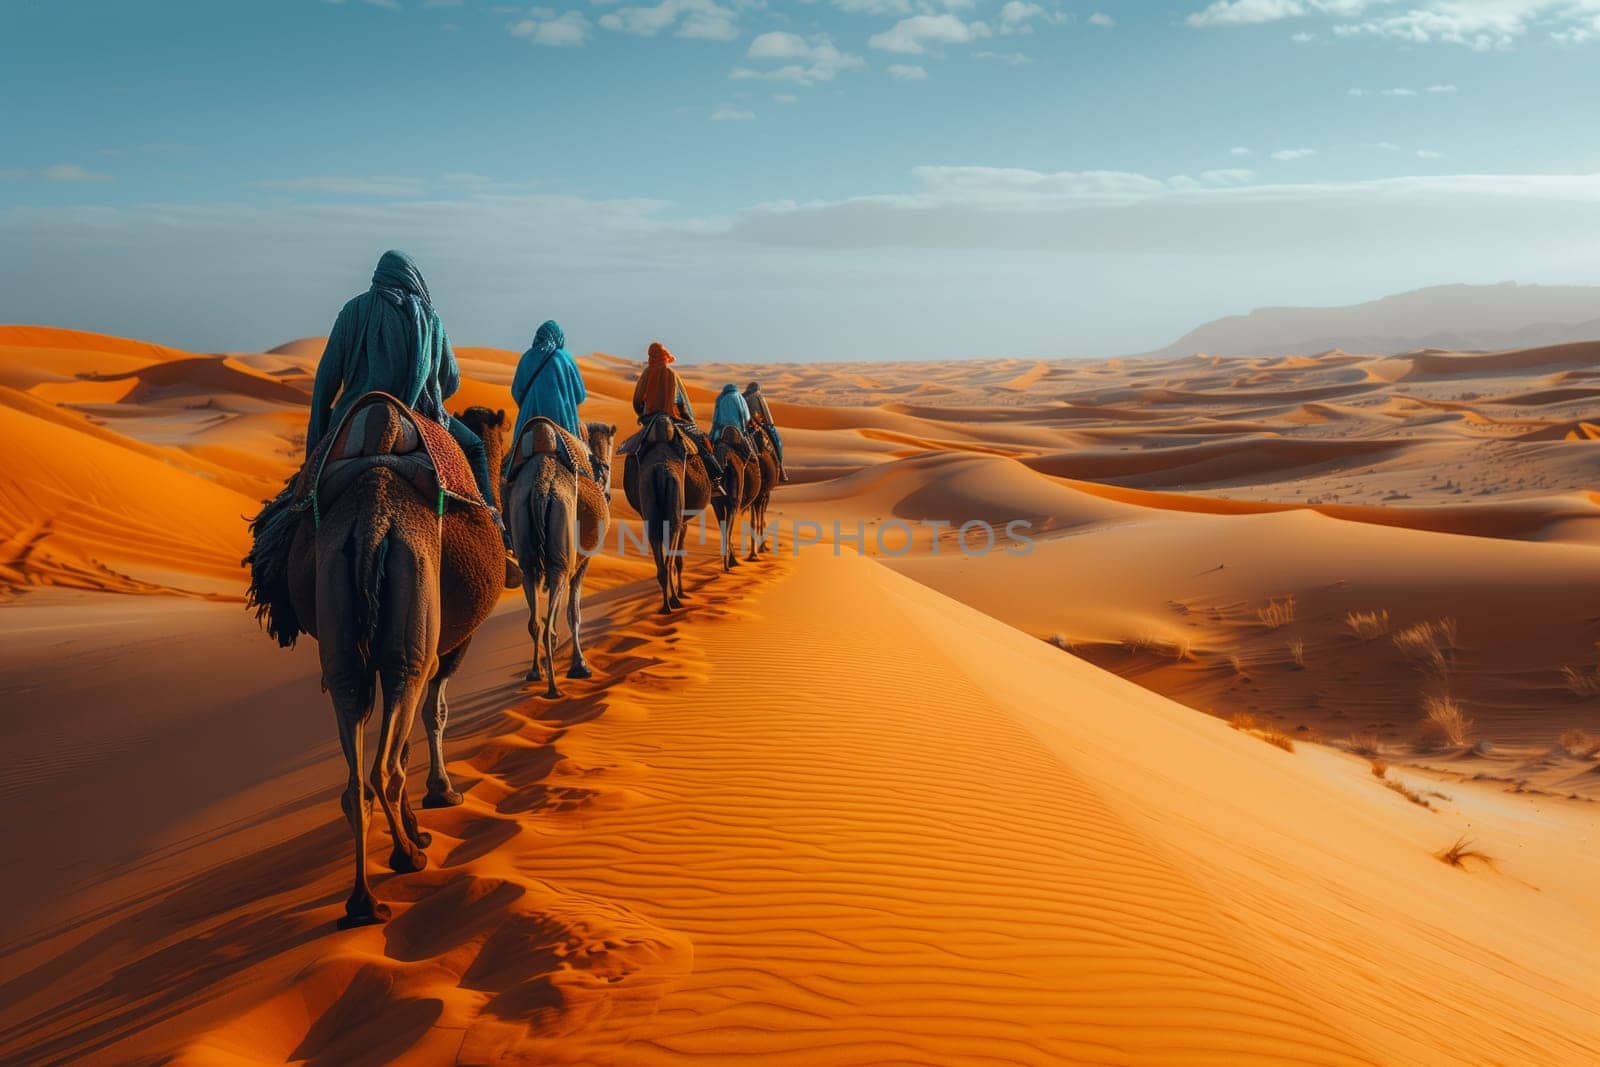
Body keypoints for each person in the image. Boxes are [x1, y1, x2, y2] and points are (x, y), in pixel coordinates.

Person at [307, 250, 508, 540]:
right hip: (417, 417)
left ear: (377, 277)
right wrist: (428, 393)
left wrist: (318, 438)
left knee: (300, 498)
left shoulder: (353, 311)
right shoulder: (429, 318)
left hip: (354, 416)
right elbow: (450, 380)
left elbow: (326, 377)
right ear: (414, 278)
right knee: (476, 447)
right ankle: (495, 527)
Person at [631, 341, 724, 481]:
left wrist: (643, 414)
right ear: (665, 356)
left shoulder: (646, 373)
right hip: (672, 418)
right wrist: (689, 420)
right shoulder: (671, 373)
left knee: (633, 449)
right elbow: (680, 401)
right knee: (700, 442)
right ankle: (715, 477)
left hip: (649, 419)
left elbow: (637, 400)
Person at [510, 319, 591, 476]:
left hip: (528, 422)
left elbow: (517, 392)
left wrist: (531, 403)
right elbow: (580, 395)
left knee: (509, 469)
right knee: (582, 472)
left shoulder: (526, 358)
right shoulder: (565, 358)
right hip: (562, 426)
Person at [743, 380, 790, 482]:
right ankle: (781, 470)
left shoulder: (743, 398)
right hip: (763, 425)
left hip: (745, 426)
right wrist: (761, 423)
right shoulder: (758, 397)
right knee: (777, 444)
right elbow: (761, 415)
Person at [709, 382, 751, 449]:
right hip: (740, 433)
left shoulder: (722, 398)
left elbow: (717, 419)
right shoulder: (741, 398)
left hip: (724, 433)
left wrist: (711, 437)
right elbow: (747, 417)